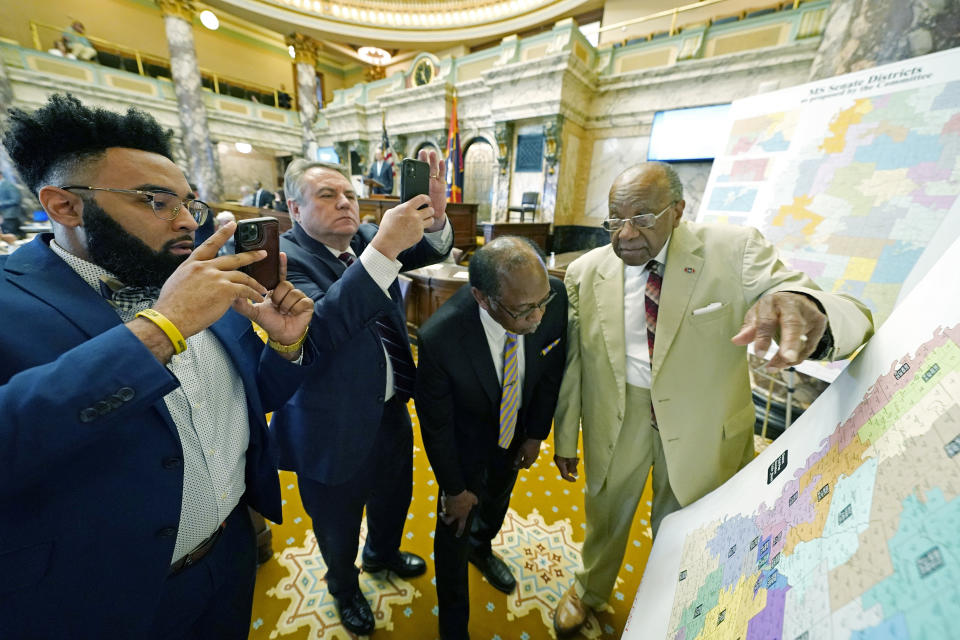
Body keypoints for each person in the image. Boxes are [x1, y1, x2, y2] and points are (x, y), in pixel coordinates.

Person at [0, 94, 316, 639]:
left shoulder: (196, 280)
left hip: (229, 553)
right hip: (98, 599)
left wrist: (285, 348)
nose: (184, 223)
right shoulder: (10, 300)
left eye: (188, 204)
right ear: (64, 206)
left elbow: (251, 395)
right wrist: (160, 327)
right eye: (154, 200)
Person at [550, 161, 874, 635]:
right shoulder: (584, 271)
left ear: (678, 210)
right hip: (617, 417)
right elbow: (575, 363)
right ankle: (590, 589)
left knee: (689, 525)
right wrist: (565, 438)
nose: (625, 235)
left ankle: (672, 609)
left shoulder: (734, 250)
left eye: (642, 218)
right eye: (615, 220)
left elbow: (814, 298)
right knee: (605, 512)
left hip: (702, 424)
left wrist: (811, 309)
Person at [271, 153, 453, 635]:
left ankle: (382, 554)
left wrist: (433, 220)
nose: (345, 203)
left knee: (394, 497)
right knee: (337, 522)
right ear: (294, 208)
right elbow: (323, 327)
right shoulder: (283, 262)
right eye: (327, 195)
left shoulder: (367, 241)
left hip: (389, 408)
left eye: (350, 194)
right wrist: (385, 247)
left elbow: (428, 252)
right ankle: (343, 587)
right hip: (327, 425)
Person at [416, 236, 567, 640]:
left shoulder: (550, 296)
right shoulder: (439, 338)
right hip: (464, 453)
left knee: (498, 499)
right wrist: (453, 489)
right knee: (454, 532)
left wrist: (536, 434)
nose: (537, 319)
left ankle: (482, 549)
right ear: (483, 298)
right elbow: (436, 426)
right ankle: (454, 626)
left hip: (514, 437)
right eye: (523, 310)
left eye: (542, 304)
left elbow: (551, 369)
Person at [0, 173, 24, 239]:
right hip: (4, 216)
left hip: (10, 215)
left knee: (11, 235)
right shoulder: (2, 185)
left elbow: (16, 199)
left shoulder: (9, 185)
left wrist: (1, 203)